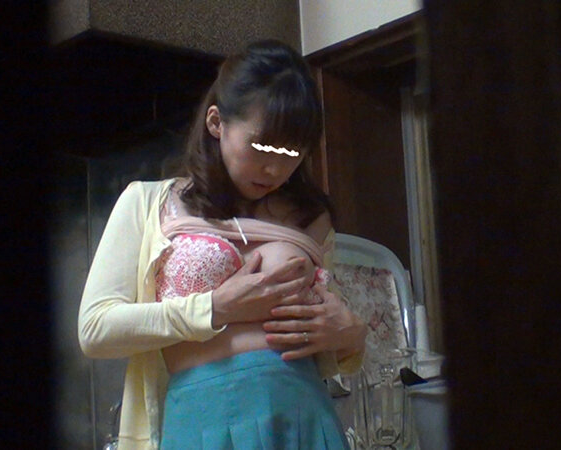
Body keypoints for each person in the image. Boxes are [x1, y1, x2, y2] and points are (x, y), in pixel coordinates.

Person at [79, 39, 366, 450]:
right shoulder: (147, 202)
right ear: (217, 123)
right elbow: (95, 329)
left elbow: (327, 343)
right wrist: (216, 308)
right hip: (200, 421)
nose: (276, 168)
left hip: (302, 415)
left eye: (292, 152)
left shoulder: (313, 218)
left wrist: (351, 334)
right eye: (262, 145)